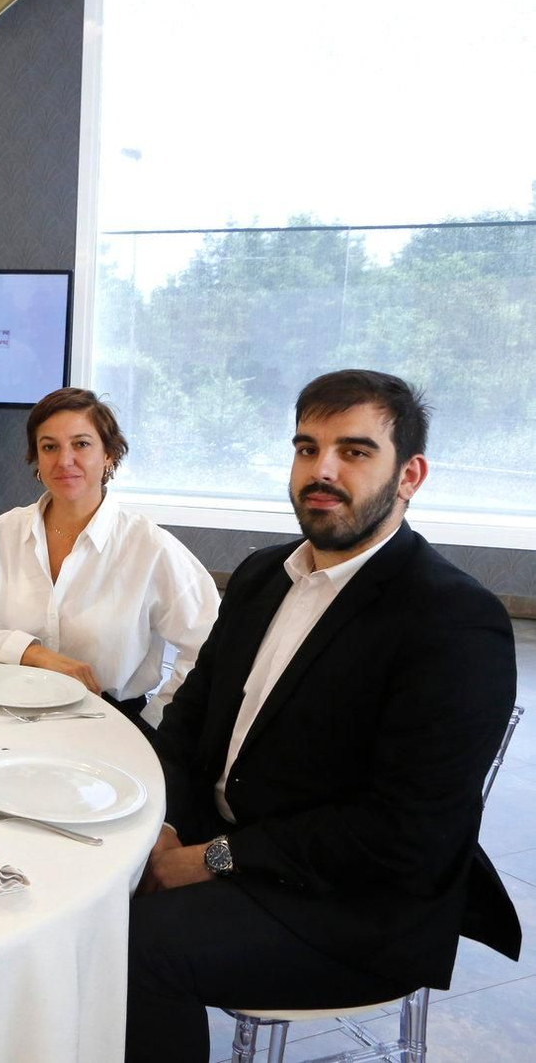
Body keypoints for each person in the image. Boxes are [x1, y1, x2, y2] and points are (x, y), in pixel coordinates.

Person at [125, 370, 521, 1063]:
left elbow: (403, 834)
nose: (323, 470)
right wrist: (166, 828)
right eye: (307, 448)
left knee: (132, 947)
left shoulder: (453, 620)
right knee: (63, 896)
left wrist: (211, 859)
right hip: (235, 847)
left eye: (355, 451)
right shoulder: (260, 574)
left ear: (410, 474)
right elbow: (189, 725)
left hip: (355, 909)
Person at [0, 387, 218, 726]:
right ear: (36, 459)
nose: (64, 460)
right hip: (5, 715)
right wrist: (34, 654)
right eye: (49, 447)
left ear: (109, 456)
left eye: (81, 444)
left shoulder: (151, 547)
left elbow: (211, 647)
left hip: (108, 723)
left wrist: (157, 720)